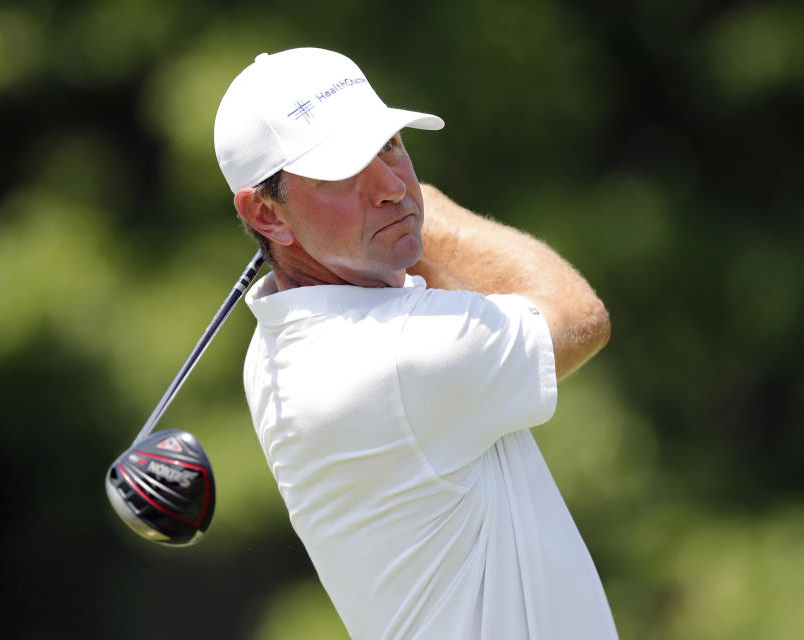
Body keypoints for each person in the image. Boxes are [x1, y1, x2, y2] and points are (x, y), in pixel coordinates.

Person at [214, 47, 618, 639]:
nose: (389, 185)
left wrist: (394, 219)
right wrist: (432, 209)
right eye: (343, 170)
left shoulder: (279, 344)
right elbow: (579, 316)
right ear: (266, 214)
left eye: (390, 145)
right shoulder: (399, 356)